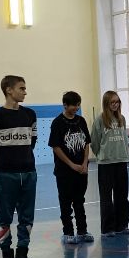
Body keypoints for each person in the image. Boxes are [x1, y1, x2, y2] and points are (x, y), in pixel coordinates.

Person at [0, 75, 39, 258]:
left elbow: (32, 142)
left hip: (29, 174)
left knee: (27, 217)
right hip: (7, 176)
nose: (25, 92)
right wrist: (1, 168)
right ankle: (7, 256)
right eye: (21, 88)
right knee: (4, 217)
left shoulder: (30, 115)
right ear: (9, 90)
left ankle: (22, 255)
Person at [49, 91, 94, 244]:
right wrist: (72, 165)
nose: (76, 108)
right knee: (66, 202)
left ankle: (82, 231)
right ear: (65, 105)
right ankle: (68, 232)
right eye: (73, 105)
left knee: (79, 201)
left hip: (81, 170)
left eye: (78, 105)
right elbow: (56, 147)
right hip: (64, 172)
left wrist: (84, 163)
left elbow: (86, 143)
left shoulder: (81, 121)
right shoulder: (58, 123)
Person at [91, 90, 129, 239]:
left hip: (121, 162)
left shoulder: (122, 119)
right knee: (106, 198)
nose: (115, 105)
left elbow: (124, 140)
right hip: (106, 164)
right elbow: (94, 142)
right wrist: (102, 155)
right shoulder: (100, 120)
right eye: (112, 102)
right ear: (106, 104)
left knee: (122, 196)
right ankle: (107, 228)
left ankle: (121, 225)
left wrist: (125, 154)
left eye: (117, 102)